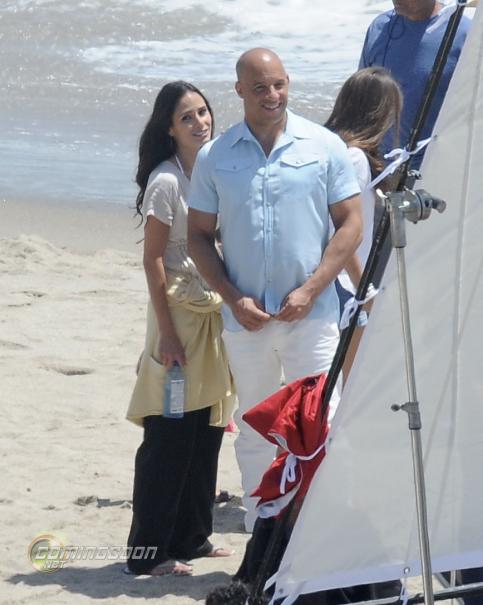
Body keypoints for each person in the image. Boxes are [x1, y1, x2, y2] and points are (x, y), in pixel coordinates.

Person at [187, 48, 363, 532]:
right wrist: (231, 296)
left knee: (322, 422)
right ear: (240, 90)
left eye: (279, 85)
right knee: (255, 427)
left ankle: (321, 533)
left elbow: (351, 224)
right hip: (246, 321)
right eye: (260, 87)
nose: (272, 95)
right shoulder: (216, 156)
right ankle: (261, 530)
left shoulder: (323, 146)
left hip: (314, 316)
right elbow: (198, 235)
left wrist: (311, 289)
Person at [125, 81, 235, 576]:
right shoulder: (166, 181)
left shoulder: (212, 171)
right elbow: (153, 259)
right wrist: (166, 333)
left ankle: (192, 536)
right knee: (169, 431)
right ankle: (147, 552)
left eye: (203, 112)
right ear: (168, 128)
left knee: (207, 427)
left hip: (212, 313)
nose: (199, 123)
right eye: (186, 117)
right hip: (178, 315)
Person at [324, 66, 403, 381]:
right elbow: (340, 229)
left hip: (335, 283)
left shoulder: (332, 148)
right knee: (349, 382)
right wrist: (364, 290)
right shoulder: (355, 158)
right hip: (345, 285)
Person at [359, 0, 470, 167]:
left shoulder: (463, 34)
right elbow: (360, 99)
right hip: (379, 165)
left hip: (435, 166)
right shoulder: (380, 28)